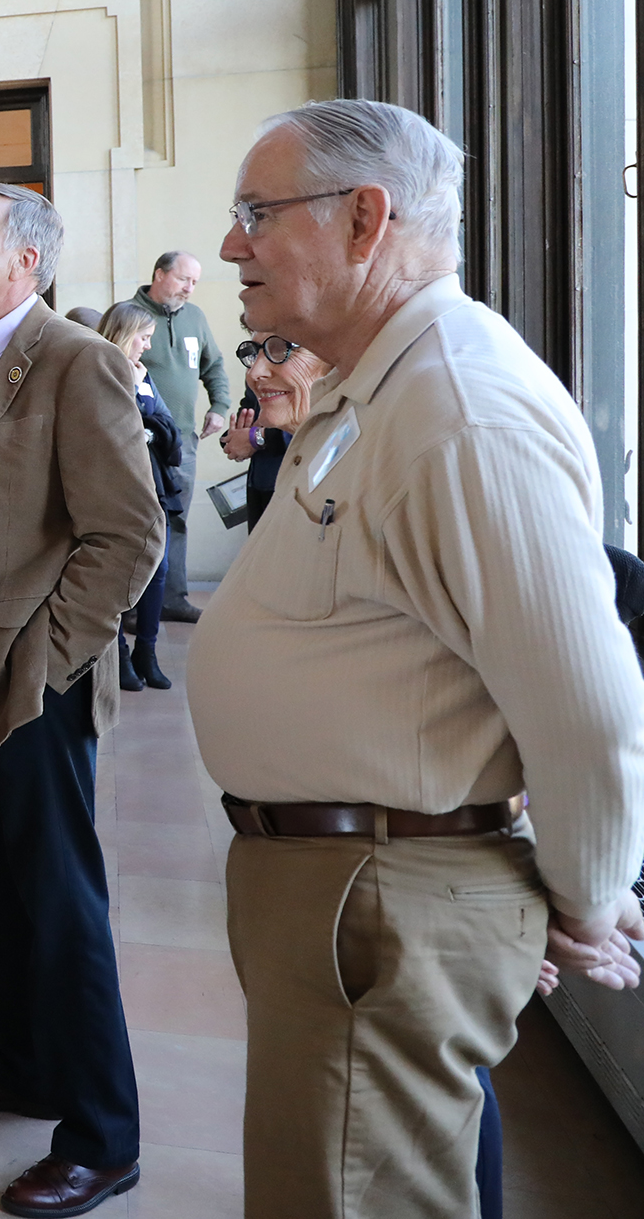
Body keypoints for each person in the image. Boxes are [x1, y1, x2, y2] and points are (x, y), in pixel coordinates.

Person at [189, 99, 644, 1219]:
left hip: (381, 890)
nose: (232, 244)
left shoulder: (459, 405)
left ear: (364, 219)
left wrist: (579, 893)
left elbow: (582, 700)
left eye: (256, 213)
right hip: (354, 890)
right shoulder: (376, 384)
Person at [0, 184, 165, 1218]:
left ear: (25, 262)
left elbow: (128, 535)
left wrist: (44, 661)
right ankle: (22, 1061)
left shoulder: (72, 358)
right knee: (4, 889)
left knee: (61, 905)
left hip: (29, 687)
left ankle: (102, 1132)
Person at [129, 251, 231, 621]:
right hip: (136, 443)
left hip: (181, 442)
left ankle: (172, 599)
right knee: (135, 522)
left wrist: (219, 406)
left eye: (194, 283)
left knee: (177, 519)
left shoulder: (195, 318)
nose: (189, 289)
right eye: (183, 279)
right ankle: (133, 608)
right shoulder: (130, 316)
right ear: (159, 274)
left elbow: (214, 364)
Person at [96, 301, 182, 693]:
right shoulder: (100, 367)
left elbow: (167, 424)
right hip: (115, 488)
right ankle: (116, 652)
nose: (147, 347)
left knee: (158, 570)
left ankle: (146, 652)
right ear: (125, 334)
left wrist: (147, 419)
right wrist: (145, 419)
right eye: (143, 338)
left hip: (153, 487)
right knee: (116, 574)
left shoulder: (144, 375)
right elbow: (113, 423)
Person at [218, 330, 324, 530]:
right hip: (260, 479)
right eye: (254, 351)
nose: (254, 372)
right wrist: (237, 438)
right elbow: (250, 412)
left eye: (279, 349)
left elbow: (310, 424)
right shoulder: (260, 375)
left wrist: (257, 437)